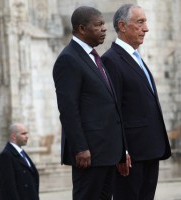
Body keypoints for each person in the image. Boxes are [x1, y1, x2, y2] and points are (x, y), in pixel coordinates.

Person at [53, 6, 128, 200]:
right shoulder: (69, 59)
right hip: (89, 154)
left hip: (107, 152)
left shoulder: (94, 57)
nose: (104, 29)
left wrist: (121, 149)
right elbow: (68, 109)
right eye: (98, 25)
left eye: (104, 24)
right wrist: (80, 148)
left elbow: (109, 105)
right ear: (82, 29)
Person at [101, 4, 171, 200]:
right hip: (131, 156)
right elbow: (112, 111)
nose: (146, 28)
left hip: (150, 150)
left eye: (146, 22)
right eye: (140, 22)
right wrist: (121, 151)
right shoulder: (111, 60)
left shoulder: (136, 57)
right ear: (122, 26)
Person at [0, 123, 39, 200]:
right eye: (23, 133)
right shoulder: (6, 156)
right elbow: (9, 188)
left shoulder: (21, 153)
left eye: (27, 133)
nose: (27, 136)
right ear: (13, 136)